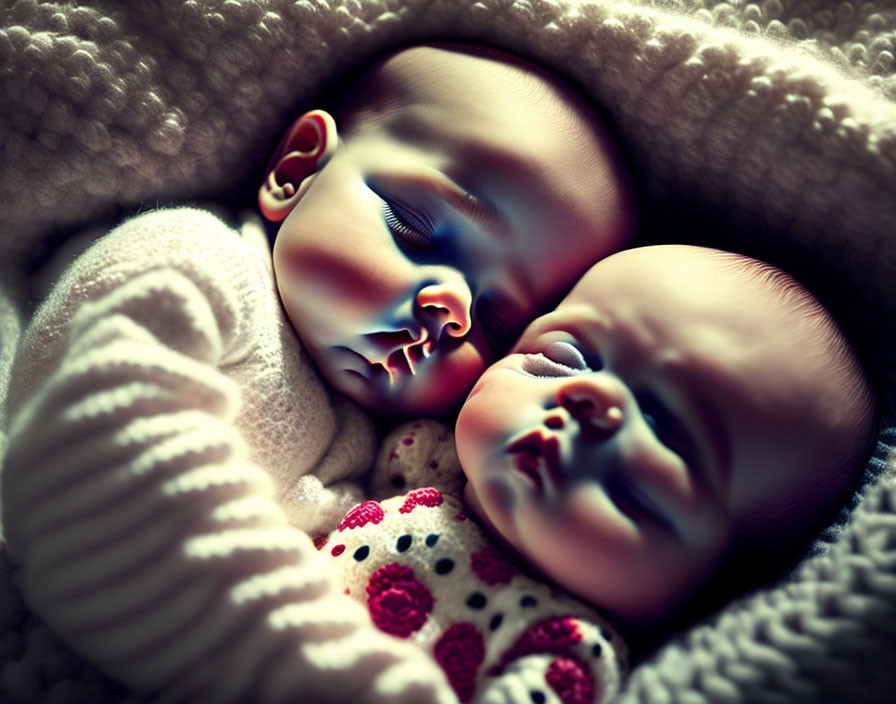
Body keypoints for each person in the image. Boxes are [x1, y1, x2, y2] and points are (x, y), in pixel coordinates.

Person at [0, 44, 636, 702]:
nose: (451, 310)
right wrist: (329, 676)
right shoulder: (195, 266)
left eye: (496, 324)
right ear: (296, 170)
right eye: (418, 229)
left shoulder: (381, 447)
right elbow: (96, 472)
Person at [324, 244, 875, 703]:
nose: (589, 397)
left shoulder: (567, 655)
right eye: (564, 358)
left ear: (725, 588)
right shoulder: (414, 458)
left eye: (666, 432)